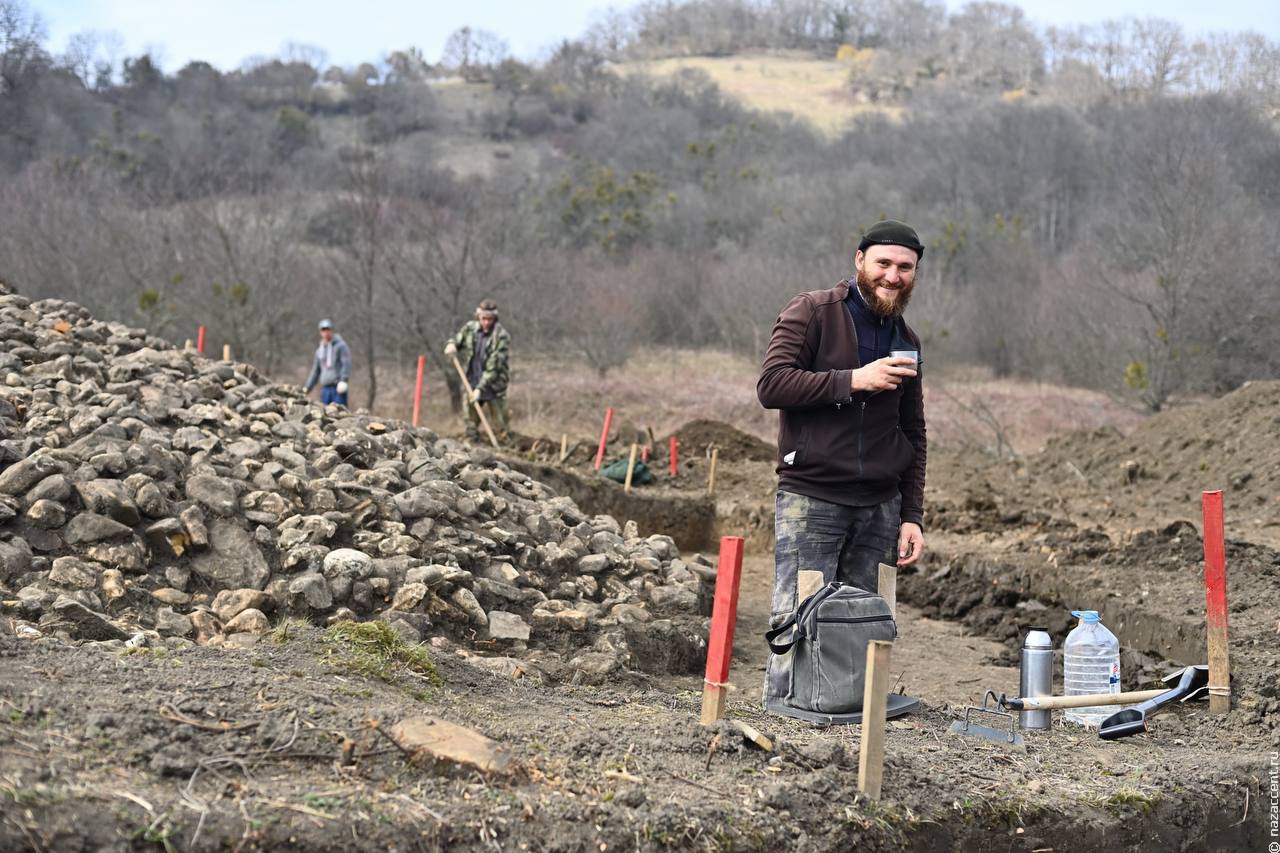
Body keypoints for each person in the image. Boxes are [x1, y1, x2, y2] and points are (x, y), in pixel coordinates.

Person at [756, 218, 928, 711]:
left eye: (905, 267)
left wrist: (911, 514)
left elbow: (913, 431)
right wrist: (852, 380)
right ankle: (786, 714)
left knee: (866, 625)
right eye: (884, 264)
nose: (893, 276)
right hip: (812, 494)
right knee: (796, 617)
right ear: (859, 260)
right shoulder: (812, 312)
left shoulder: (907, 339)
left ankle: (853, 718)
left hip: (880, 506)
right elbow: (772, 385)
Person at [444, 299, 510, 443]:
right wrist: (452, 345)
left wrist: (480, 388)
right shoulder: (470, 329)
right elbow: (457, 340)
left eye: (490, 319)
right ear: (478, 317)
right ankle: (472, 449)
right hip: (471, 383)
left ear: (495, 319)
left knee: (500, 426)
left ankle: (505, 451)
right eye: (483, 319)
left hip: (493, 386)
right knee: (470, 424)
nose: (486, 322)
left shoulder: (501, 337)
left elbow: (494, 367)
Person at [303, 318, 352, 405]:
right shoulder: (319, 351)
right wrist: (308, 387)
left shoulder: (341, 346)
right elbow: (316, 371)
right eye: (323, 330)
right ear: (320, 332)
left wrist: (344, 380)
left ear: (331, 330)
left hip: (337, 387)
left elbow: (346, 363)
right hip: (325, 389)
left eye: (328, 329)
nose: (326, 332)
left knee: (339, 414)